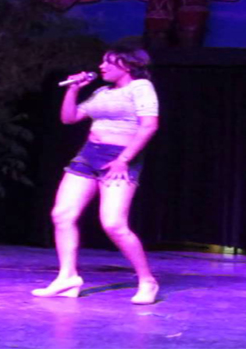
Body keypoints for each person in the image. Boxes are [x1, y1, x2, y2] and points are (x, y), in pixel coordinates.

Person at [32, 45, 160, 305]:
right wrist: (73, 89)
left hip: (120, 157)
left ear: (127, 65)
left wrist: (123, 160)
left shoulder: (141, 87)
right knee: (62, 214)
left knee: (113, 223)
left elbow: (149, 126)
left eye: (108, 62)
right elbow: (69, 118)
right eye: (102, 62)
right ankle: (68, 277)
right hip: (88, 155)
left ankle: (147, 280)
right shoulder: (101, 92)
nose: (101, 67)